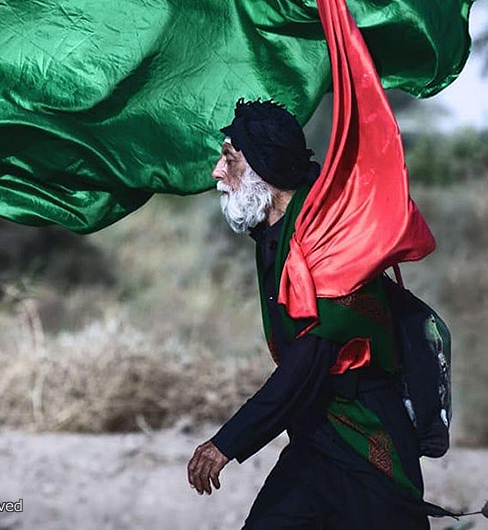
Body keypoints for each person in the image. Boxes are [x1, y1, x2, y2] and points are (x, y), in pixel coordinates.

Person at [186, 99, 444, 529]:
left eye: (229, 158)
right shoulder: (273, 234)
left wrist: (226, 443)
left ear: (264, 167)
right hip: (315, 441)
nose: (217, 171)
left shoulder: (327, 236)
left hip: (368, 447)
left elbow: (309, 361)